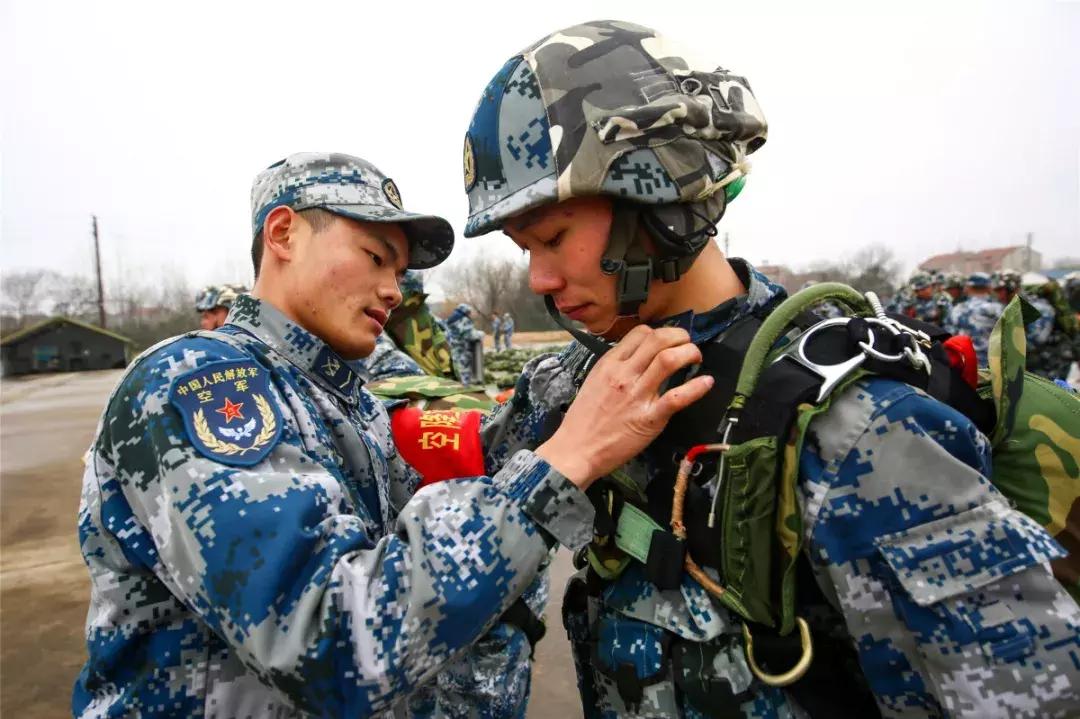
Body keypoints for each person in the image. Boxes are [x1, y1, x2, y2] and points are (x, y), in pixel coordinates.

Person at [462, 21, 1080, 717]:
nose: (539, 278)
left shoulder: (859, 433)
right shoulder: (575, 384)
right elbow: (458, 467)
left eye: (553, 237)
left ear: (656, 198)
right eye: (524, 248)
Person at [73, 151, 713, 717]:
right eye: (376, 258)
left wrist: (564, 394)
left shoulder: (332, 390)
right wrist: (563, 462)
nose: (391, 290)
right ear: (284, 233)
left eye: (400, 271)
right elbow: (329, 643)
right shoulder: (198, 384)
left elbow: (439, 496)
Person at [946, 272, 1004, 366]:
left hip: (965, 365)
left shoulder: (956, 310)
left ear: (968, 288)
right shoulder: (998, 309)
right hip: (992, 366)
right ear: (989, 288)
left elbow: (949, 338)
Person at [445, 303, 484, 384]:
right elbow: (470, 335)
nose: (470, 314)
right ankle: (465, 386)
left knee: (456, 368)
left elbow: (447, 335)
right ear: (464, 311)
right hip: (462, 348)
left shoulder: (451, 320)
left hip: (453, 348)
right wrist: (481, 334)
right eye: (468, 312)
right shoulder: (464, 320)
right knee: (464, 369)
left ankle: (457, 385)